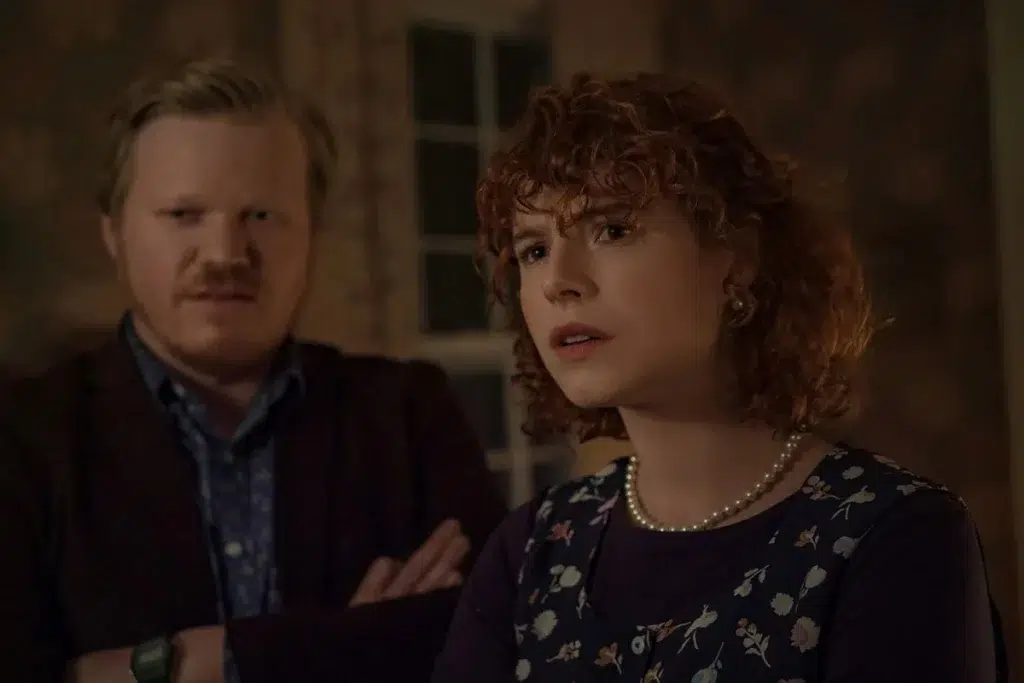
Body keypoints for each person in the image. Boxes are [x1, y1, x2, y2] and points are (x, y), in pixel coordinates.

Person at [433, 73, 1008, 683]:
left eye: (613, 229)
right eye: (534, 250)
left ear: (739, 259)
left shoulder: (892, 537)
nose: (558, 281)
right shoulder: (530, 552)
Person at [0, 58, 507, 683]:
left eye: (262, 216)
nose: (225, 254)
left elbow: (498, 640)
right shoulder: (21, 437)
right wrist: (349, 645)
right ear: (115, 234)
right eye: (183, 214)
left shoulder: (408, 412)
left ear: (313, 233)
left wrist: (198, 661)